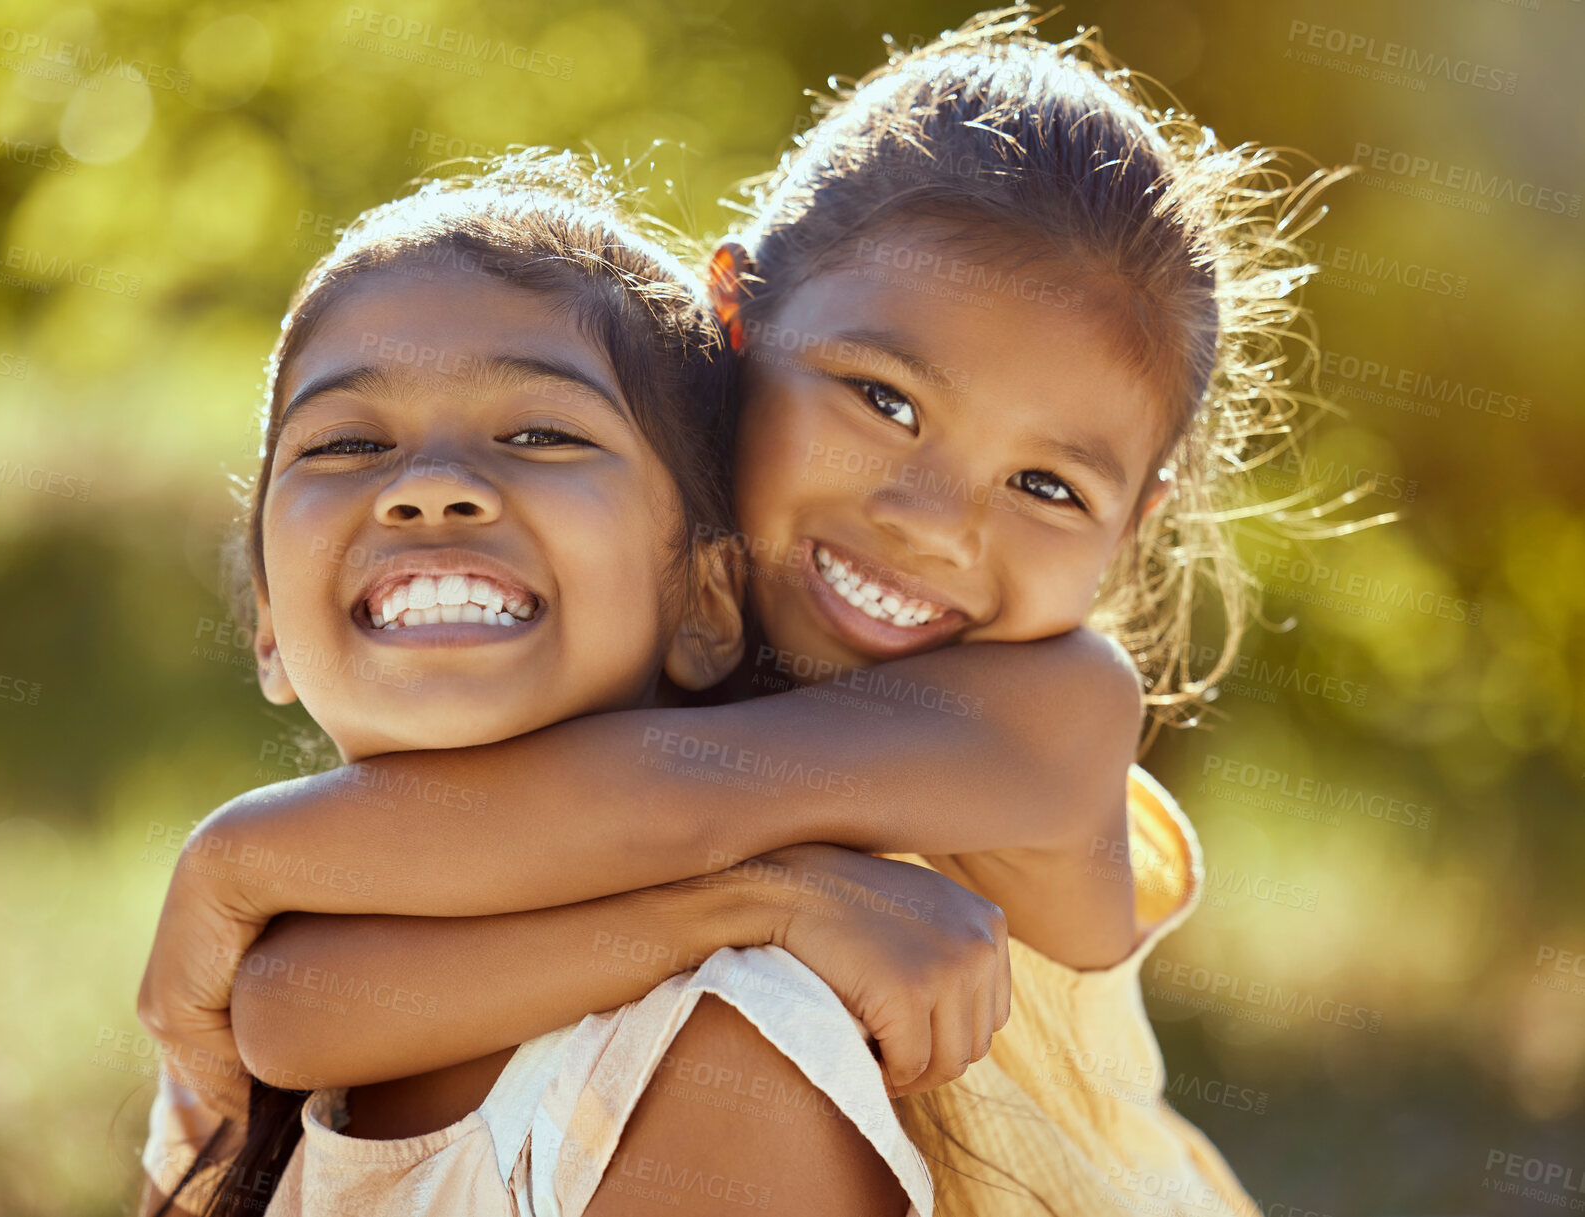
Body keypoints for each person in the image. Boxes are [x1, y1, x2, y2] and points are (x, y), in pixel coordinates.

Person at [142, 8, 1350, 1214]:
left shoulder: (1047, 714)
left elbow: (663, 796)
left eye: (1046, 485)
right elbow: (294, 1008)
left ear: (1133, 522)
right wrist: (758, 900)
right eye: (881, 398)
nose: (934, 520)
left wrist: (228, 862)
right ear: (734, 320)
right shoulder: (641, 652)